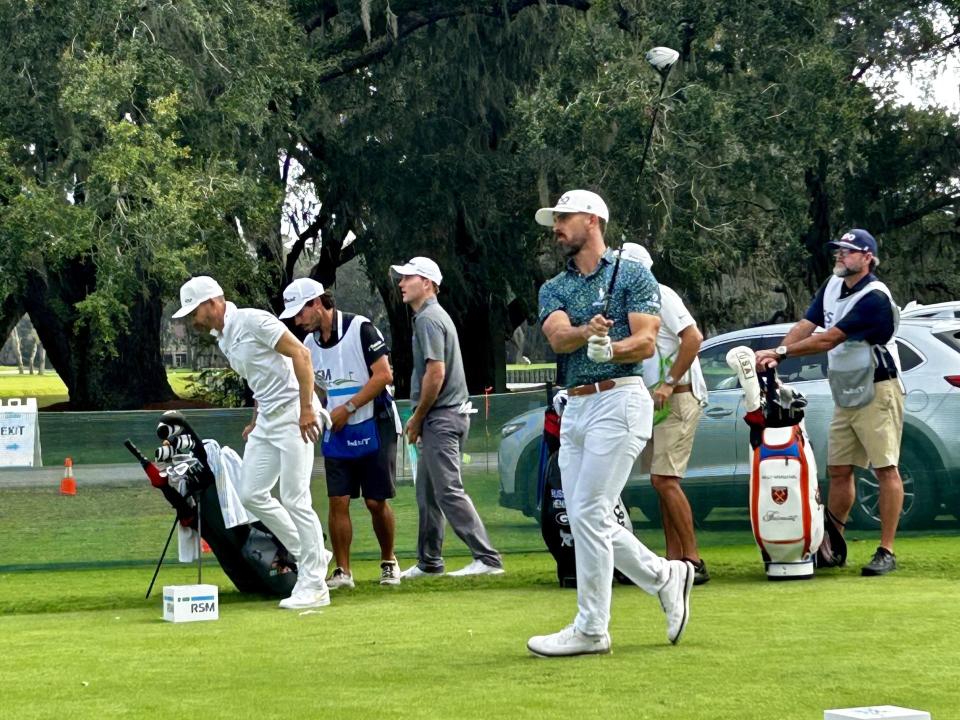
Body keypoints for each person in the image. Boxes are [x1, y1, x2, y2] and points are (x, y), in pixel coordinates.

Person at [526, 190, 693, 658]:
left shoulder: (633, 274)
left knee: (589, 514)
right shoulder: (554, 287)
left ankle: (593, 629)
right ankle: (665, 576)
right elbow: (558, 338)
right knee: (586, 518)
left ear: (593, 220)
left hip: (619, 401)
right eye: (554, 219)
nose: (556, 226)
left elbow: (644, 341)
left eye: (564, 217)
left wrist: (612, 348)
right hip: (575, 408)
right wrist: (587, 334)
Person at [172, 276, 331, 609]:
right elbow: (261, 377)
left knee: (294, 497)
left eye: (194, 312)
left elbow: (300, 355)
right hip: (268, 421)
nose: (192, 319)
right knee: (251, 493)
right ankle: (310, 553)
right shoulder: (223, 337)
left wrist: (306, 409)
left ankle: (315, 584)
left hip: (293, 414)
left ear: (211, 303)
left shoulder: (253, 320)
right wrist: (256, 419)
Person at [755, 229, 904, 576]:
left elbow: (829, 339)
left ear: (867, 258)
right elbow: (808, 324)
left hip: (878, 388)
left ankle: (887, 550)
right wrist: (779, 356)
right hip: (846, 391)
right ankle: (832, 544)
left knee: (886, 469)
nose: (840, 256)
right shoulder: (833, 285)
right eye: (838, 250)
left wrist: (780, 352)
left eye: (848, 252)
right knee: (838, 470)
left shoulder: (875, 297)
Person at [279, 277, 403, 588]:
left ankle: (389, 560)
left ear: (317, 303)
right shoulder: (308, 345)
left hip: (376, 421)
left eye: (300, 312)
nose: (297, 320)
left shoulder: (361, 328)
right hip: (335, 428)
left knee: (375, 501)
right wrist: (316, 409)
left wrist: (347, 409)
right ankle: (343, 571)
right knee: (338, 500)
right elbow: (317, 387)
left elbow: (384, 375)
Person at [390, 256, 505, 579]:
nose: (401, 284)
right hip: (438, 417)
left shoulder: (429, 318)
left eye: (407, 278)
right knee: (427, 492)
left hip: (442, 417)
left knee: (448, 490)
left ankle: (487, 558)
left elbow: (435, 372)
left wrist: (417, 417)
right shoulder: (428, 317)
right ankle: (429, 562)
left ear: (426, 283)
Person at [623, 244, 710, 585]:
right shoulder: (635, 303)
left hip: (679, 398)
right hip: (657, 405)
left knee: (665, 480)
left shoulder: (662, 296)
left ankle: (693, 559)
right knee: (661, 482)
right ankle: (675, 560)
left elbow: (693, 338)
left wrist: (669, 384)